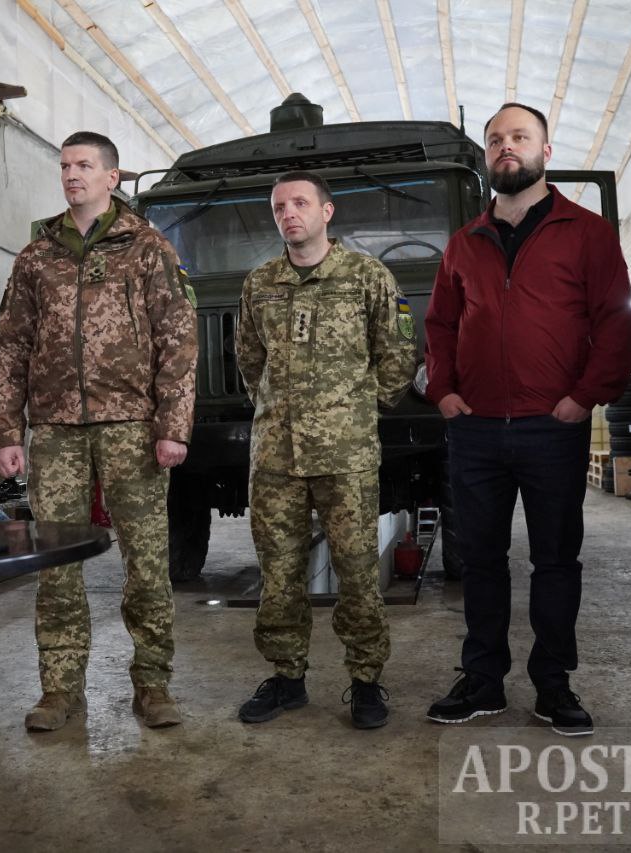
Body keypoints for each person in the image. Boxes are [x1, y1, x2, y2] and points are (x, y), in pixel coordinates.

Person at [423, 103, 631, 736]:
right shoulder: (464, 242)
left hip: (553, 425)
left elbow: (617, 321)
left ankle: (553, 683)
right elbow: (439, 324)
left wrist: (586, 396)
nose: (506, 147)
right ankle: (483, 680)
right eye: (495, 140)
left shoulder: (587, 233)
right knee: (480, 560)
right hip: (477, 428)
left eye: (519, 137)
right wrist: (443, 390)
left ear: (545, 150)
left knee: (556, 560)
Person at [0, 131, 197, 732]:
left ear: (112, 177)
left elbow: (178, 340)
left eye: (84, 165)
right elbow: (13, 346)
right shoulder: (36, 256)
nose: (71, 175)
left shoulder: (148, 247)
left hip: (131, 425)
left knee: (147, 562)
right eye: (65, 166)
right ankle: (60, 690)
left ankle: (153, 685)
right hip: (55, 429)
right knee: (55, 563)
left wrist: (173, 426)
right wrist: (7, 431)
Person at [234, 171, 416, 729]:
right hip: (275, 459)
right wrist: (277, 410)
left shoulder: (366, 276)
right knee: (279, 575)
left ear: (326, 211)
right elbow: (249, 361)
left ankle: (365, 681)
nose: (289, 214)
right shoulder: (259, 283)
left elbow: (398, 354)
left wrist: (357, 408)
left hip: (346, 457)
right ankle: (287, 677)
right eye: (279, 207)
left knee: (357, 573)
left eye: (300, 203)